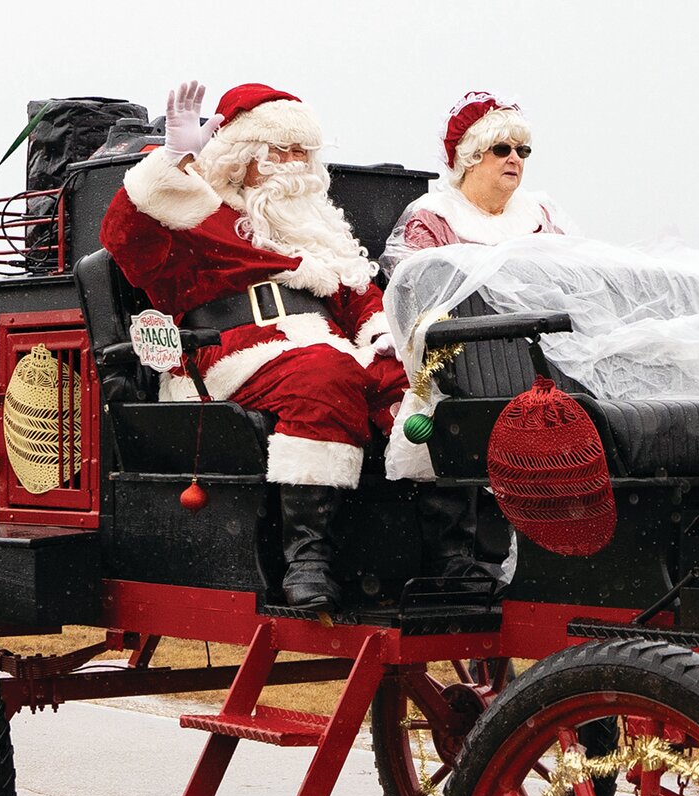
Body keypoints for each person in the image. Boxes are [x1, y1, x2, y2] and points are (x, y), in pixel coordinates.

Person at [100, 81, 405, 612]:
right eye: (277, 150)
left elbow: (362, 297)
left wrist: (383, 339)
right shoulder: (200, 212)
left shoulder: (320, 228)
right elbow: (124, 234)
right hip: (233, 353)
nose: (292, 163)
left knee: (417, 382)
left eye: (300, 152)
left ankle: (447, 557)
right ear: (243, 156)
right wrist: (169, 162)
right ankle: (306, 559)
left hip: (323, 345)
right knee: (322, 376)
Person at [380, 92, 567, 273]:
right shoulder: (435, 222)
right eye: (502, 149)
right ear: (470, 158)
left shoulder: (537, 217)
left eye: (522, 150)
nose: (515, 158)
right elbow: (422, 294)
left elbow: (566, 281)